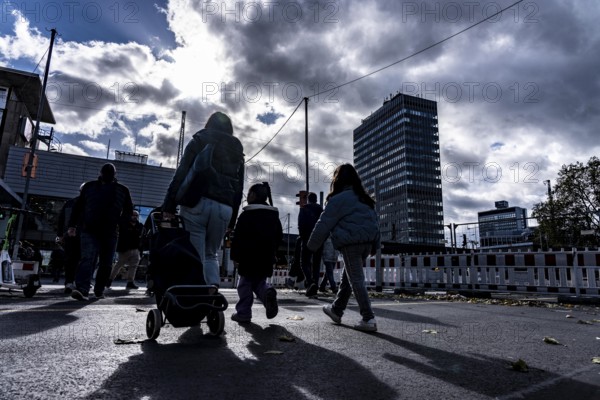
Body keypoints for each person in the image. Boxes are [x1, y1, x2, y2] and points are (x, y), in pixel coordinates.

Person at [162, 111, 244, 287]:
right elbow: (239, 186)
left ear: (209, 124)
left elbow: (182, 173)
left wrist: (169, 205)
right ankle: (211, 291)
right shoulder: (237, 149)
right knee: (211, 253)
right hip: (225, 208)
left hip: (196, 202)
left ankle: (194, 294)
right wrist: (233, 219)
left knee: (195, 253)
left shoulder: (199, 140)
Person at [307, 164, 380, 332]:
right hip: (367, 242)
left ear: (337, 180)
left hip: (350, 242)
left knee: (356, 280)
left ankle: (368, 318)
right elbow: (375, 223)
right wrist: (375, 244)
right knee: (349, 278)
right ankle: (337, 309)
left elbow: (323, 224)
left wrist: (311, 246)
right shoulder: (365, 199)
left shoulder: (337, 200)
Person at [68, 163, 134, 301]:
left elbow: (128, 210)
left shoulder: (119, 190)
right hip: (93, 229)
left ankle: (95, 289)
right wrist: (72, 225)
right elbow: (78, 207)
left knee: (103, 262)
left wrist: (120, 223)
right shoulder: (92, 187)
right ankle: (84, 289)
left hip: (105, 230)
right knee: (92, 259)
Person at [229, 183, 283, 323]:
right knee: (259, 282)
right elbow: (279, 236)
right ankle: (267, 293)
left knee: (245, 284)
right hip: (266, 257)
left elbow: (238, 238)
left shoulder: (247, 215)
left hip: (248, 257)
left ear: (253, 195)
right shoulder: (273, 215)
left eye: (249, 193)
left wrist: (235, 256)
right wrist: (273, 252)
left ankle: (244, 313)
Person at [106, 210, 144, 290]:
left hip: (135, 249)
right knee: (118, 265)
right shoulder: (124, 224)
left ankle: (130, 282)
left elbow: (142, 237)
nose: (134, 217)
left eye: (136, 215)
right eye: (133, 215)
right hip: (124, 249)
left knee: (133, 266)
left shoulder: (139, 225)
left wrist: (140, 248)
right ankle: (109, 280)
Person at [298, 192, 323, 297]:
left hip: (307, 238)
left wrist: (302, 236)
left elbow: (300, 224)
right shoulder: (321, 209)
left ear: (308, 199)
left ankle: (310, 282)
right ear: (316, 199)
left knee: (304, 262)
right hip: (318, 239)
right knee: (316, 264)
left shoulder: (304, 208)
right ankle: (315, 287)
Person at [56, 193, 81, 294]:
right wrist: (60, 234)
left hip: (73, 234)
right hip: (75, 234)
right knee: (73, 260)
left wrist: (60, 234)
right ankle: (71, 282)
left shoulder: (70, 203)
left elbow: (61, 219)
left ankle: (70, 282)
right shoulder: (71, 203)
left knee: (72, 260)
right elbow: (62, 219)